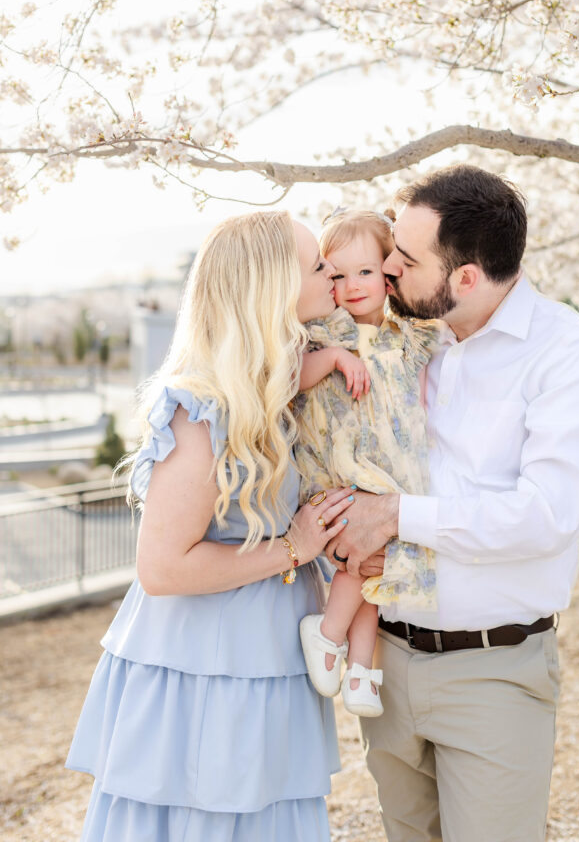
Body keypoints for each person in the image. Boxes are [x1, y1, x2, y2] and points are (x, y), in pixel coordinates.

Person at [325, 165, 579, 842]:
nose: (387, 268)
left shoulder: (567, 355)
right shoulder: (406, 337)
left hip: (492, 671)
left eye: (405, 258)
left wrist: (396, 514)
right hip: (388, 665)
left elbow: (544, 516)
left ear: (464, 278)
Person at [66, 211, 357, 842]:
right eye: (316, 266)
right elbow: (162, 568)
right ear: (272, 290)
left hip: (263, 658)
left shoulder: (271, 391)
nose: (331, 271)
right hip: (203, 673)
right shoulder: (203, 411)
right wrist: (294, 547)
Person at [294, 210, 441, 718]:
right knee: (358, 563)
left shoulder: (407, 333)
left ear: (388, 273)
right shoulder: (325, 330)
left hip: (387, 472)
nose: (351, 286)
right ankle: (329, 634)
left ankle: (359, 668)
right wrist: (336, 358)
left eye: (365, 272)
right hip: (339, 471)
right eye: (336, 274)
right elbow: (290, 378)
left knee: (375, 571)